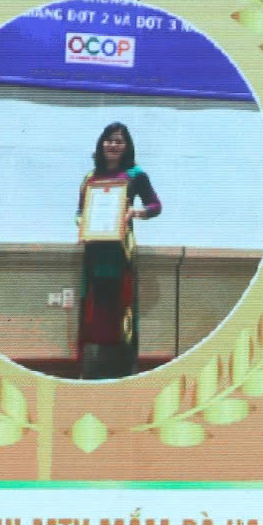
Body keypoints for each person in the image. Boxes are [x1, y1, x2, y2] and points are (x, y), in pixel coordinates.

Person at [75, 121, 163, 379]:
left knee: (121, 305)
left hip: (121, 252)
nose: (113, 145)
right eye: (109, 140)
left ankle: (123, 369)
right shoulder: (90, 178)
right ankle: (91, 371)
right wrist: (82, 225)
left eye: (119, 141)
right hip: (94, 252)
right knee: (93, 306)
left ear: (127, 146)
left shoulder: (135, 174)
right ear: (101, 143)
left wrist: (136, 212)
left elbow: (156, 206)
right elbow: (79, 212)